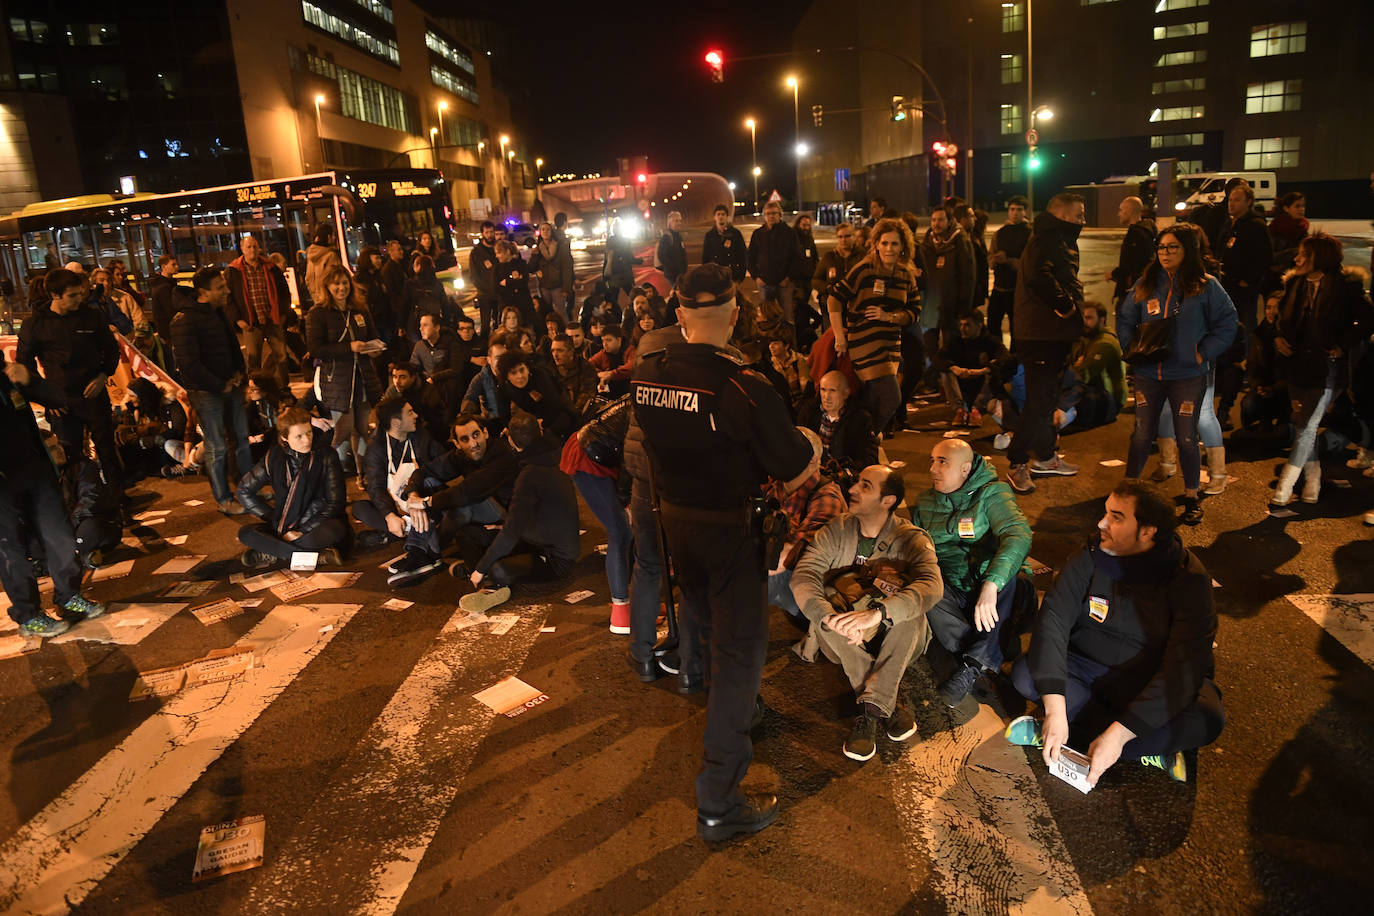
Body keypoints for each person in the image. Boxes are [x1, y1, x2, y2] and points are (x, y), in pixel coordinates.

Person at [632, 262, 813, 843]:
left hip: (677, 528)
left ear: (679, 315)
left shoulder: (647, 373)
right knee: (741, 655)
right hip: (732, 533)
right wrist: (807, 442)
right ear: (735, 315)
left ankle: (719, 703)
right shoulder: (745, 386)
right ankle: (719, 801)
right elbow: (793, 465)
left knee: (708, 631)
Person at [1006, 480, 1226, 785]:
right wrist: (1056, 707)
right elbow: (1054, 619)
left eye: (1117, 517)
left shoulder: (1189, 580)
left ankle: (1088, 737)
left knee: (1206, 717)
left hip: (1146, 679)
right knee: (1025, 675)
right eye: (1106, 512)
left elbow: (1182, 670)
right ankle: (1143, 744)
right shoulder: (1091, 554)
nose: (1101, 523)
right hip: (1086, 667)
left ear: (1147, 532)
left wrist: (1119, 734)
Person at [790, 464, 941, 761]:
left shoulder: (911, 537)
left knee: (912, 614)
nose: (852, 490)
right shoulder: (839, 528)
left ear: (888, 501)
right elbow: (804, 574)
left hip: (895, 637)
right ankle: (883, 704)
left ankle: (868, 712)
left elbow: (932, 585)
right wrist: (828, 616)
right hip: (844, 634)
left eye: (866, 486)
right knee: (823, 614)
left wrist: (880, 613)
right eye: (857, 482)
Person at [1118, 223, 1237, 524]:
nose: (1165, 253)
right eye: (1161, 247)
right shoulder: (1146, 283)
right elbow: (1125, 318)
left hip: (1187, 375)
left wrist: (1203, 352)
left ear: (1188, 250)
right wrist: (1133, 350)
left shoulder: (1206, 285)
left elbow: (1227, 323)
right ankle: (1127, 490)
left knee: (1186, 438)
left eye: (1173, 247)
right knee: (1143, 434)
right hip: (1148, 374)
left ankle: (1192, 496)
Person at [913, 440, 1031, 706]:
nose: (933, 468)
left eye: (942, 461)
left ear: (965, 469)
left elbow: (1017, 533)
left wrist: (991, 583)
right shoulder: (924, 502)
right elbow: (919, 550)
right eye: (932, 460)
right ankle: (990, 650)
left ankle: (972, 665)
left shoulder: (992, 493)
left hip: (993, 594)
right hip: (955, 592)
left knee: (1010, 577)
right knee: (925, 586)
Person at [0, 355, 106, 637]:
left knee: (59, 535)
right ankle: (28, 615)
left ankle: (69, 597)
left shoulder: (7, 373)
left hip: (34, 469)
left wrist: (30, 380)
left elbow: (57, 399)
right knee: (10, 551)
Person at [1268, 232, 1371, 508]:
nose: (1298, 258)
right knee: (1303, 422)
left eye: (1304, 253)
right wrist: (1278, 338)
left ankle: (1285, 486)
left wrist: (1342, 344)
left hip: (1328, 369)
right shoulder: (1295, 284)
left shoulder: (1344, 286)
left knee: (1307, 426)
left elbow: (1368, 319)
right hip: (1297, 367)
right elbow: (1281, 320)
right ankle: (1313, 479)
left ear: (1320, 258)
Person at [1007, 192, 1088, 494]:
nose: (1083, 220)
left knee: (1046, 400)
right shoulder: (1047, 239)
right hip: (1041, 335)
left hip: (1053, 334)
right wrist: (1065, 305)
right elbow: (1039, 278)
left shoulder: (1057, 239)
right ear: (1064, 216)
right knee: (1038, 403)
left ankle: (1045, 456)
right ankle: (1017, 462)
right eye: (1079, 214)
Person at [459, 411, 580, 611]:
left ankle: (490, 582)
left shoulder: (530, 474)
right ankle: (486, 575)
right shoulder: (554, 454)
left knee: (499, 570)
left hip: (556, 559)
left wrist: (481, 568)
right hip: (536, 538)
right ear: (540, 430)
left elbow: (512, 531)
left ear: (510, 440)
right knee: (471, 535)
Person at [18, 268, 124, 493]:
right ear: (55, 295)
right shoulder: (35, 325)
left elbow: (111, 349)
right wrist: (46, 398)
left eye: (80, 294)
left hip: (94, 393)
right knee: (70, 454)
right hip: (61, 401)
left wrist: (104, 375)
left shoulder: (91, 315)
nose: (79, 299)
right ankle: (79, 503)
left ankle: (118, 499)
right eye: (72, 295)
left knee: (106, 449)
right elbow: (24, 366)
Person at [390, 413, 519, 587]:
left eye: (476, 435)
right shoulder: (461, 455)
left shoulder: (501, 454)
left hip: (504, 514)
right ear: (457, 444)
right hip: (477, 504)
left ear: (485, 433)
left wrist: (426, 502)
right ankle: (418, 550)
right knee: (428, 483)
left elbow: (469, 491)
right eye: (465, 439)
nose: (473, 443)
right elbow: (424, 471)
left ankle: (430, 552)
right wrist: (413, 496)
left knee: (462, 503)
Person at [168, 267, 252, 514]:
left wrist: (239, 373)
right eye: (221, 287)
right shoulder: (184, 319)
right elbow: (189, 364)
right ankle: (224, 499)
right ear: (203, 292)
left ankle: (248, 489)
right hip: (207, 393)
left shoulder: (217, 312)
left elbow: (232, 346)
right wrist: (219, 384)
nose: (227, 291)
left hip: (231, 385)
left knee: (241, 440)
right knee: (216, 446)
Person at [827, 217, 918, 437]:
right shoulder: (865, 269)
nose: (889, 248)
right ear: (876, 244)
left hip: (891, 344)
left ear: (903, 246)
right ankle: (866, 440)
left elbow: (914, 312)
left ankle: (856, 441)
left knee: (872, 399)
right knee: (891, 398)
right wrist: (840, 336)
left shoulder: (906, 275)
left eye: (894, 244)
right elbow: (834, 299)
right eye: (884, 243)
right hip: (865, 341)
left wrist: (890, 316)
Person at [236, 407, 349, 568]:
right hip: (285, 523)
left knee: (334, 530)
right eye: (299, 436)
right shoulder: (274, 456)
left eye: (309, 433)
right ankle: (317, 556)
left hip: (318, 523)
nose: (306, 440)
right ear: (285, 438)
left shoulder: (326, 454)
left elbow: (336, 502)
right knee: (245, 533)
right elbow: (244, 490)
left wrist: (302, 531)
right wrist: (272, 517)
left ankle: (273, 551)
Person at [562, 395, 634, 634]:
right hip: (589, 458)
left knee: (628, 531)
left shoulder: (652, 396)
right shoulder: (649, 406)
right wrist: (626, 501)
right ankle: (621, 611)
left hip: (600, 452)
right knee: (620, 531)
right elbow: (630, 460)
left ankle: (636, 601)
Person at [764, 427, 846, 626]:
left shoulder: (826, 497)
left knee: (762, 574)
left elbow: (786, 558)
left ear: (813, 461)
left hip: (811, 596)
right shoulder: (777, 484)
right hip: (780, 577)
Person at [307, 265, 384, 473]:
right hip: (337, 381)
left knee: (363, 429)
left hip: (363, 377)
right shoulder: (318, 313)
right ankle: (324, 471)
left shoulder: (360, 309)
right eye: (336, 283)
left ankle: (365, 474)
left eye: (344, 283)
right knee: (343, 429)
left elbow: (372, 336)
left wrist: (374, 349)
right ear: (327, 286)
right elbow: (315, 348)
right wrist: (348, 348)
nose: (342, 288)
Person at [352, 398, 445, 549]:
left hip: (422, 500)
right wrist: (390, 515)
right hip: (396, 506)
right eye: (410, 413)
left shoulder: (420, 435)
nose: (415, 415)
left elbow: (442, 461)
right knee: (360, 508)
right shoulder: (376, 448)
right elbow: (376, 487)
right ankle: (408, 529)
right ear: (396, 423)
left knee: (434, 485)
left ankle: (396, 535)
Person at [225, 234, 292, 389]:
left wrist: (282, 314)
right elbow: (228, 298)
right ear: (242, 249)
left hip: (272, 319)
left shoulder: (270, 267)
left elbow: (284, 293)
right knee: (253, 357)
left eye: (255, 246)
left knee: (281, 356)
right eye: (249, 247)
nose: (253, 250)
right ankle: (256, 390)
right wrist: (237, 319)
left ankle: (283, 389)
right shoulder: (233, 270)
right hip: (250, 322)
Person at [797, 370, 878, 482]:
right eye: (823, 390)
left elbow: (869, 456)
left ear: (846, 393)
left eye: (832, 391)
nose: (826, 396)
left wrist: (845, 471)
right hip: (810, 472)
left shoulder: (860, 418)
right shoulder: (809, 411)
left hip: (840, 478)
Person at [1216, 180, 1274, 331]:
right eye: (1230, 200)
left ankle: (1249, 351)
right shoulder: (1229, 223)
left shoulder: (1256, 225)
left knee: (1246, 321)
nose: (1232, 204)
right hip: (1227, 282)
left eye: (1237, 200)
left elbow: (1265, 256)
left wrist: (1249, 280)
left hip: (1244, 287)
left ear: (1249, 202)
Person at [939, 310, 1007, 426]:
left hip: (981, 387)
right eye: (961, 325)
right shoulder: (956, 340)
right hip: (961, 386)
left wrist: (983, 370)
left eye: (967, 325)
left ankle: (977, 409)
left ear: (979, 326)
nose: (962, 328)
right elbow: (940, 357)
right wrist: (955, 368)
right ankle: (960, 411)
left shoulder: (991, 341)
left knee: (993, 371)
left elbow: (1005, 358)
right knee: (946, 371)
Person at [1067, 302, 1126, 428]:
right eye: (1083, 317)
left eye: (1089, 318)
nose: (1084, 322)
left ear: (1102, 319)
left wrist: (1078, 366)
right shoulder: (1092, 338)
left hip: (1109, 401)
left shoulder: (1103, 343)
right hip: (1101, 395)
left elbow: (1082, 375)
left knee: (1063, 399)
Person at [496, 350, 577, 439]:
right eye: (513, 373)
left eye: (522, 370)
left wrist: (541, 423)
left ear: (528, 368)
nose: (520, 376)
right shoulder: (503, 387)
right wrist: (512, 429)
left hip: (561, 413)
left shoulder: (540, 376)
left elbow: (555, 405)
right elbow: (504, 416)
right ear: (507, 377)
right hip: (535, 417)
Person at [748, 201, 802, 326]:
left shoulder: (789, 233)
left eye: (774, 213)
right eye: (768, 214)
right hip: (764, 282)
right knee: (765, 316)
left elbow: (797, 257)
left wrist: (789, 277)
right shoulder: (758, 234)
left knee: (787, 317)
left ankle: (788, 343)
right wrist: (756, 277)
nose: (771, 216)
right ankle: (768, 342)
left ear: (780, 214)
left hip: (784, 283)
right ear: (764, 216)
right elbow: (750, 257)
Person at [1240, 294, 1289, 434]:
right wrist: (1258, 386)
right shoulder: (1259, 333)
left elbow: (1293, 373)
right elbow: (1253, 365)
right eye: (1268, 307)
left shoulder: (1290, 335)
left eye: (1277, 308)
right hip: (1264, 387)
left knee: (1283, 432)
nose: (1271, 312)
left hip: (1285, 391)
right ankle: (1256, 426)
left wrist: (1274, 388)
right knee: (1248, 404)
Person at [989, 196, 1031, 344]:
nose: (1015, 213)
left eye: (1019, 210)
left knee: (1017, 328)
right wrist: (995, 260)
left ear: (1025, 212)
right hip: (999, 288)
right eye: (1012, 209)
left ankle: (1015, 360)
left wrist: (1008, 261)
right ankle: (997, 356)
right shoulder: (1000, 233)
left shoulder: (1030, 234)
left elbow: (1030, 264)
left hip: (1018, 290)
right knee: (992, 325)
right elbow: (990, 258)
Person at [1108, 196, 1156, 308]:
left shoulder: (1136, 234)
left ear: (1129, 211)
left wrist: (1113, 274)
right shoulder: (1146, 230)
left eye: (1121, 210)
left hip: (1131, 291)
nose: (1119, 213)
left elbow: (1130, 264)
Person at [461, 331, 511, 427]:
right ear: (489, 360)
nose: (502, 361)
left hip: (514, 423)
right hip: (492, 424)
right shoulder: (481, 378)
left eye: (505, 357)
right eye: (498, 358)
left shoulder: (514, 374)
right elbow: (468, 402)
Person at [528, 221, 575, 323]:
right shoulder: (538, 249)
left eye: (548, 229)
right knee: (546, 313)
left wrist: (566, 288)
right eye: (543, 229)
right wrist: (535, 255)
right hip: (544, 286)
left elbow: (567, 268)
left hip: (558, 286)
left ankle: (566, 333)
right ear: (540, 232)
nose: (545, 232)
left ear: (552, 231)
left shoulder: (560, 247)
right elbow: (531, 269)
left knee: (562, 312)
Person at [812, 222, 863, 303]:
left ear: (854, 237)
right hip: (832, 303)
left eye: (847, 236)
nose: (843, 240)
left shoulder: (863, 256)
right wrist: (829, 288)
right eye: (840, 237)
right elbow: (816, 280)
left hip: (856, 302)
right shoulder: (829, 257)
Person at [550, 333, 599, 413]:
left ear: (571, 351)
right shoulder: (550, 369)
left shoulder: (586, 368)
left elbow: (586, 398)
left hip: (578, 415)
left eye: (560, 350)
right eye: (553, 350)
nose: (555, 355)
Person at [148, 253, 188, 346]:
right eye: (173, 264)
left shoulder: (165, 284)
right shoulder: (164, 287)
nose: (176, 267)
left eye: (176, 264)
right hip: (170, 331)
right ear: (163, 266)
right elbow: (170, 310)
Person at [469, 221, 500, 335]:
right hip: (484, 294)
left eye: (492, 232)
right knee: (485, 324)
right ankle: (484, 346)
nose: (490, 235)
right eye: (487, 232)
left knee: (499, 322)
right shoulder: (476, 252)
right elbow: (474, 275)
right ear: (482, 233)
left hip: (499, 292)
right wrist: (484, 288)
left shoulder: (499, 248)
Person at [701, 204, 747, 282]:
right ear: (714, 217)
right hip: (715, 277)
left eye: (723, 214)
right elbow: (705, 258)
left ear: (727, 217)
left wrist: (740, 277)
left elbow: (743, 256)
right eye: (718, 214)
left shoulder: (736, 234)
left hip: (732, 276)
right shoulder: (709, 235)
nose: (720, 217)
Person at [1268, 191, 1309, 277]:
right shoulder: (1277, 226)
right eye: (1297, 206)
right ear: (1286, 208)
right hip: (1277, 272)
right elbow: (1272, 255)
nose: (1301, 209)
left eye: (1303, 206)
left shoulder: (1303, 226)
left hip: (1298, 271)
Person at [768, 336, 812, 415]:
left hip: (799, 406)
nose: (771, 346)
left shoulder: (798, 360)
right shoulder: (769, 364)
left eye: (775, 343)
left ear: (786, 345)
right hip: (780, 408)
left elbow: (806, 387)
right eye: (770, 343)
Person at [304, 223, 342, 309]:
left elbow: (308, 280)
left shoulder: (310, 257)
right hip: (331, 303)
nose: (334, 237)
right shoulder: (331, 256)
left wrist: (316, 298)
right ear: (328, 237)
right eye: (333, 235)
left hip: (318, 302)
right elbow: (336, 279)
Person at [590, 324, 633, 397]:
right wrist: (599, 374)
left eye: (609, 340)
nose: (605, 344)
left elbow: (631, 367)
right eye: (603, 341)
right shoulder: (603, 353)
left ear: (619, 340)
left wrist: (611, 374)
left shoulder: (630, 350)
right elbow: (588, 365)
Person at [656, 211, 688, 289]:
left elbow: (682, 253)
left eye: (680, 220)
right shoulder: (667, 237)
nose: (679, 223)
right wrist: (672, 267)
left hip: (680, 273)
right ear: (670, 223)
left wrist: (684, 269)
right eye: (676, 221)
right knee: (677, 293)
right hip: (673, 274)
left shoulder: (678, 236)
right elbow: (661, 255)